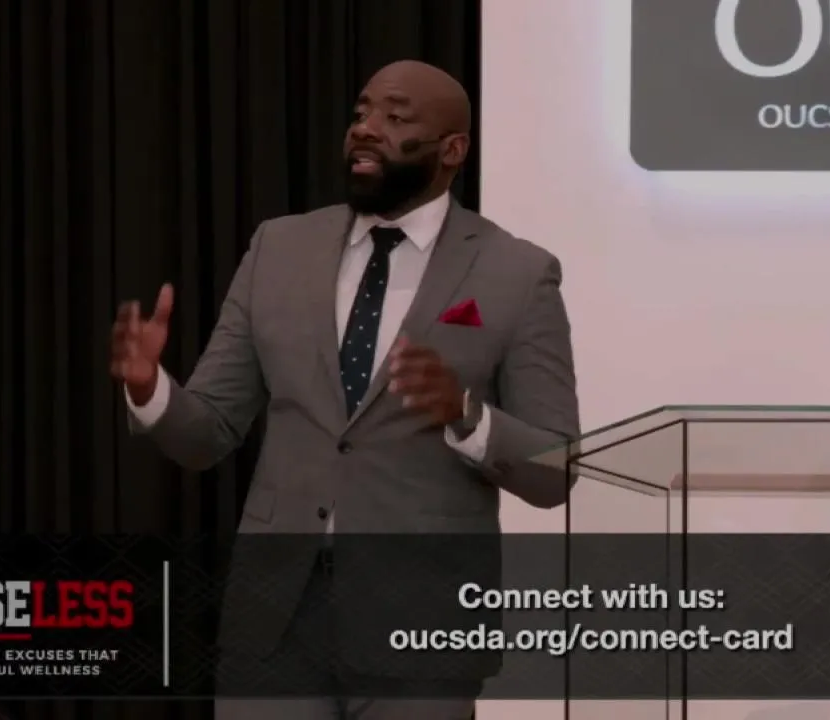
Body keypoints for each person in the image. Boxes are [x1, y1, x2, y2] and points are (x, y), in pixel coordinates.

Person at [110, 60, 579, 720]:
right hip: (273, 621)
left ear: (452, 149)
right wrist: (151, 390)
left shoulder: (517, 273)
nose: (366, 128)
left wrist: (466, 415)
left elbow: (556, 469)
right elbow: (209, 430)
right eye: (361, 113)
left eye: (395, 117)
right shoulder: (279, 247)